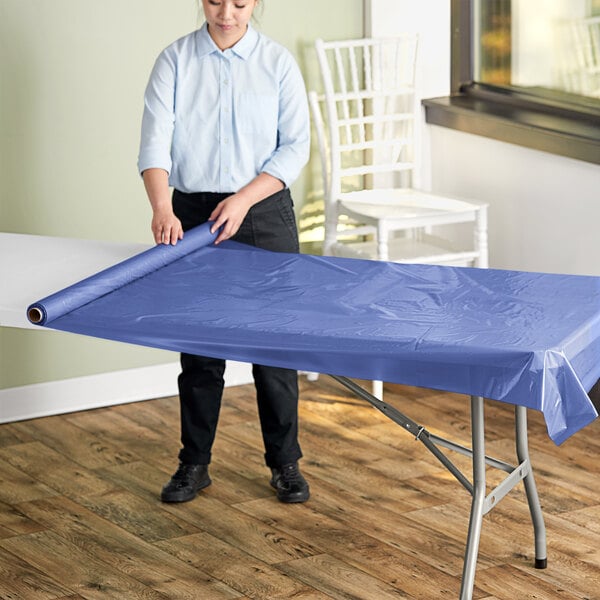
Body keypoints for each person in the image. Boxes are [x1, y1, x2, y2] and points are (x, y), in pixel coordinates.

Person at [138, 0, 310, 504]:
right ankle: (193, 464)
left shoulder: (277, 63)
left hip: (262, 209)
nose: (227, 13)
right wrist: (161, 208)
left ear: (257, 3)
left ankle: (285, 463)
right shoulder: (174, 60)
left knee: (274, 348)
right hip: (190, 214)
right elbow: (155, 143)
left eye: (240, 2)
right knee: (200, 348)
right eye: (216, 0)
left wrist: (243, 198)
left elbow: (295, 145)